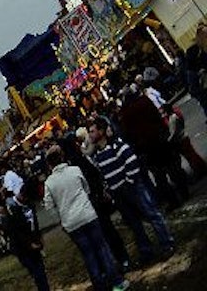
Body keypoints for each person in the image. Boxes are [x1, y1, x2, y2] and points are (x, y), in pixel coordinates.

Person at [88, 117, 175, 264]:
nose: (89, 135)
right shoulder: (97, 155)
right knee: (134, 224)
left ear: (101, 131)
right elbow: (104, 175)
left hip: (131, 188)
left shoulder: (116, 145)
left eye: (92, 131)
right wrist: (110, 190)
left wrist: (128, 182)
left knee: (151, 214)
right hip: (119, 194)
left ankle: (167, 243)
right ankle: (146, 252)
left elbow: (131, 161)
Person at [42, 144, 124, 290]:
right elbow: (86, 188)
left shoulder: (49, 183)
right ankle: (116, 281)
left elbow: (49, 206)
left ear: (49, 164)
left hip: (71, 222)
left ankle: (100, 285)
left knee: (88, 254)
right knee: (102, 248)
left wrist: (61, 218)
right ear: (62, 157)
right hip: (87, 214)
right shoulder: (75, 170)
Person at [116, 84, 190, 208]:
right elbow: (156, 116)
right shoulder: (144, 101)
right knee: (171, 167)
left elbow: (127, 133)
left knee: (160, 176)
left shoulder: (126, 113)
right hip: (159, 138)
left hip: (146, 146)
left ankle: (173, 201)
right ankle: (184, 192)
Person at [3, 181, 50, 291]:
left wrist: (39, 237)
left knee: (41, 272)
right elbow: (14, 231)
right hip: (22, 247)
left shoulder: (29, 204)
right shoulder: (10, 208)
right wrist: (29, 244)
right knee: (37, 273)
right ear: (24, 196)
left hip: (34, 242)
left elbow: (35, 221)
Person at [161, 102, 207, 178]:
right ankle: (202, 167)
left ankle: (199, 170)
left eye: (164, 112)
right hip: (184, 136)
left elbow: (173, 132)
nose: (163, 114)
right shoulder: (176, 115)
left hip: (181, 140)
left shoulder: (172, 119)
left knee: (190, 156)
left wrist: (168, 141)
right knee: (192, 154)